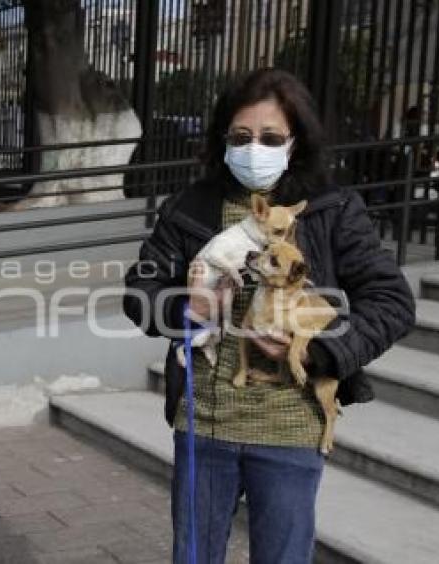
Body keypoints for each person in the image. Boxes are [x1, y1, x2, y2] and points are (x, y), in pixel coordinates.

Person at [123, 68, 415, 563]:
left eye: (270, 137)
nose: (253, 147)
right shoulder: (189, 207)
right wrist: (183, 308)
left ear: (295, 143)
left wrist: (318, 349)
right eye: (241, 136)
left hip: (290, 430)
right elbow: (139, 291)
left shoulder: (331, 210)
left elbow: (391, 301)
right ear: (222, 141)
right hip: (205, 426)